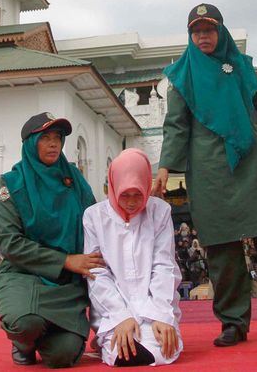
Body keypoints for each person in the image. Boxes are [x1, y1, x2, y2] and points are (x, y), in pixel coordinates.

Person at [152, 3, 257, 346]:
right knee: (222, 249)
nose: (203, 35)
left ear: (221, 31)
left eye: (209, 29)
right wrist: (163, 167)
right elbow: (175, 126)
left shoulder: (242, 66)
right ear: (190, 35)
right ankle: (234, 323)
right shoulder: (181, 75)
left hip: (256, 162)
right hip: (209, 170)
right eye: (196, 30)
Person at [0, 112, 101, 368]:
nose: (53, 144)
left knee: (63, 356)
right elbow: (10, 242)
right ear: (31, 143)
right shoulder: (11, 184)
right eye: (45, 138)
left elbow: (96, 221)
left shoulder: (73, 178)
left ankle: (44, 335)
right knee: (25, 323)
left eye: (58, 138)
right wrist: (64, 260)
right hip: (25, 275)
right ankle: (24, 342)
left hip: (66, 284)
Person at [84, 149, 183, 366]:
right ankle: (109, 338)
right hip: (114, 309)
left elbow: (164, 265)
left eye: (138, 194)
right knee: (121, 349)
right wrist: (121, 315)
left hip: (154, 304)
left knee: (161, 348)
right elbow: (97, 272)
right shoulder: (94, 216)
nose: (131, 203)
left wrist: (160, 314)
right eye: (124, 195)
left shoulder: (159, 211)